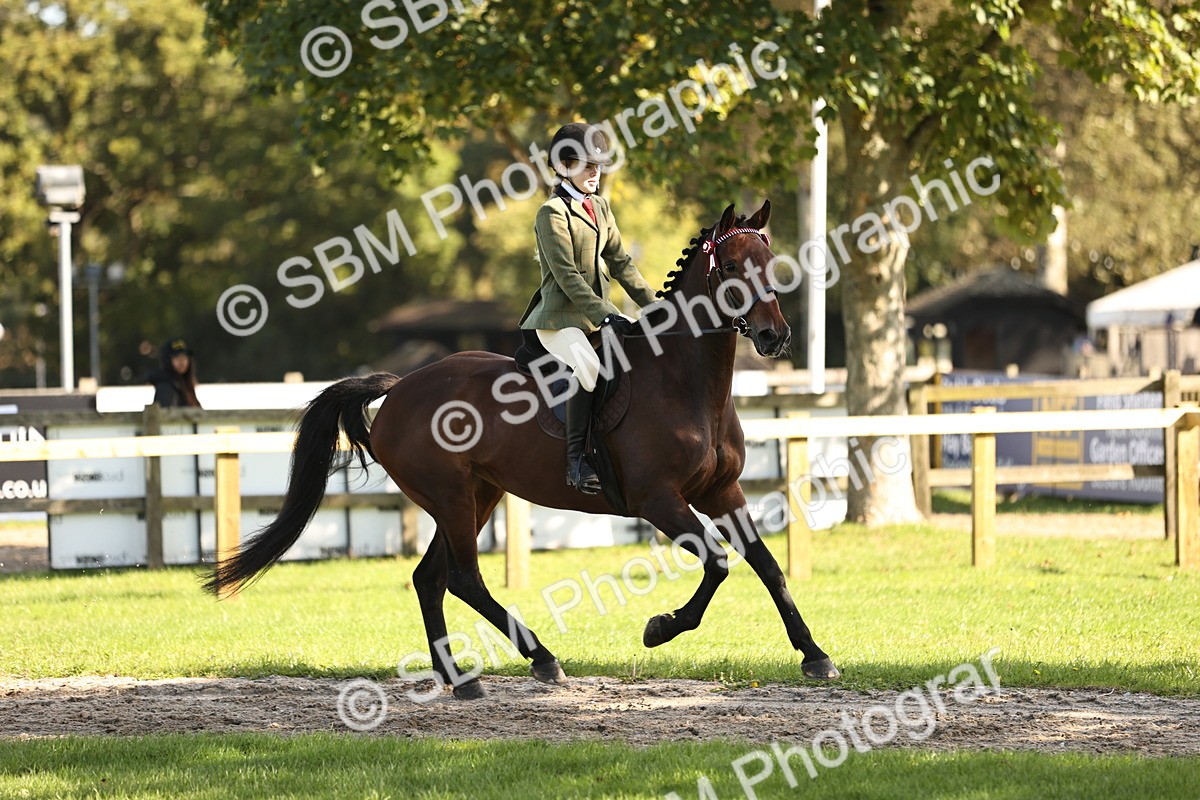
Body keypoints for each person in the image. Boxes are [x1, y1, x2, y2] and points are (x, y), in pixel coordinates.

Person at [518, 122, 658, 495]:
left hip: (598, 315)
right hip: (557, 321)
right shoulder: (551, 213)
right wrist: (604, 315)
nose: (595, 173)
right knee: (589, 365)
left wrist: (654, 305)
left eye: (599, 166)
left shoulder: (600, 206)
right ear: (564, 167)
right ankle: (577, 461)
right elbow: (566, 277)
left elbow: (621, 262)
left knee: (643, 351)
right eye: (587, 165)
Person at [147, 338, 201, 408]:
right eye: (176, 357)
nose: (182, 361)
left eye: (185, 356)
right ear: (167, 361)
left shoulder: (185, 385)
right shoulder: (166, 387)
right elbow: (165, 416)